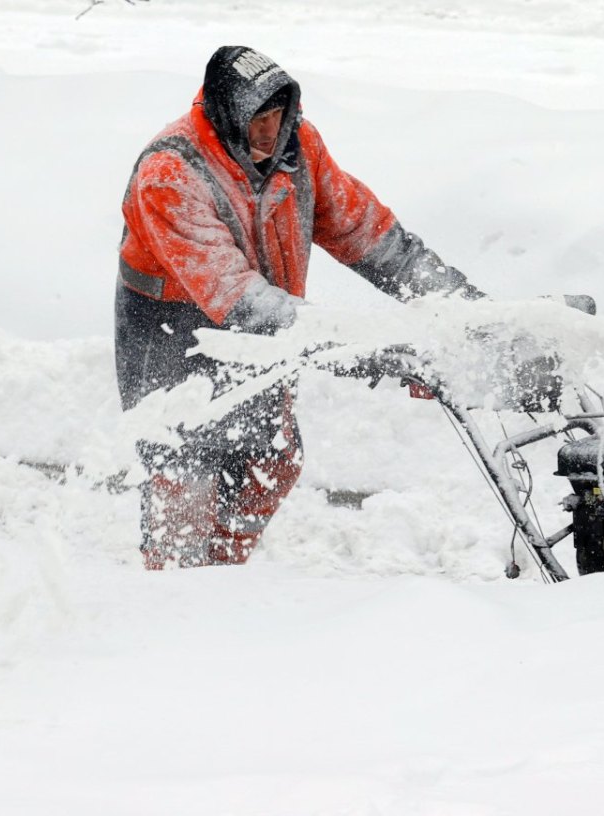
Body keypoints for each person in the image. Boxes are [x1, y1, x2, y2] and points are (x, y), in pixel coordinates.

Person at [115, 46, 485, 570]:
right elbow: (239, 300)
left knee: (272, 459)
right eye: (255, 120)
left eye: (277, 116)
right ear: (224, 114)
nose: (269, 133)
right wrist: (363, 346)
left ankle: (222, 571)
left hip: (272, 319)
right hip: (172, 331)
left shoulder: (299, 147)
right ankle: (175, 590)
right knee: (185, 477)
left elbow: (368, 234)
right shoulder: (171, 173)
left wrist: (460, 307)